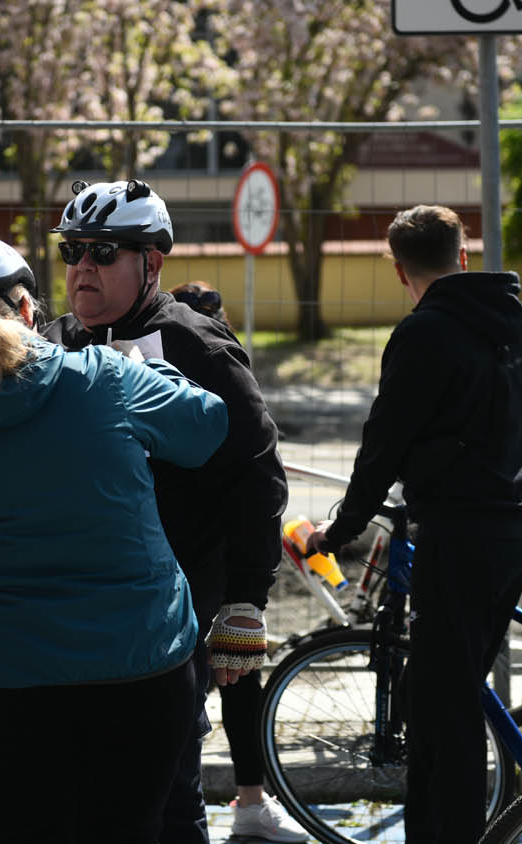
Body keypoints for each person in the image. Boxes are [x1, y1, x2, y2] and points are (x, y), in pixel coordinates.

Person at [0, 234, 230, 844]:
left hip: (3, 677)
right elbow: (207, 425)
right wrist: (141, 368)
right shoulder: (107, 377)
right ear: (29, 310)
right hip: (139, 664)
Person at [43, 180, 297, 844]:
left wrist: (245, 600)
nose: (82, 268)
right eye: (72, 251)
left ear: (151, 263)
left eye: (104, 252)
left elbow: (257, 469)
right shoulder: (51, 344)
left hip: (169, 618)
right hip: (73, 616)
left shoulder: (195, 346)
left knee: (163, 803)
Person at [304, 204, 522, 844]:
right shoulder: (509, 320)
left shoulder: (424, 332)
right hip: (516, 527)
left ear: (399, 269)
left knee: (447, 711)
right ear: (462, 255)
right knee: (445, 695)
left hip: (460, 534)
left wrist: (343, 527)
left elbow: (384, 441)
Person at [167, 279, 306, 841]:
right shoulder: (187, 362)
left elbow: (258, 471)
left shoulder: (217, 364)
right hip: (199, 568)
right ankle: (242, 801)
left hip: (222, 566)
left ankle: (249, 801)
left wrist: (247, 595)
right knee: (200, 695)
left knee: (231, 681)